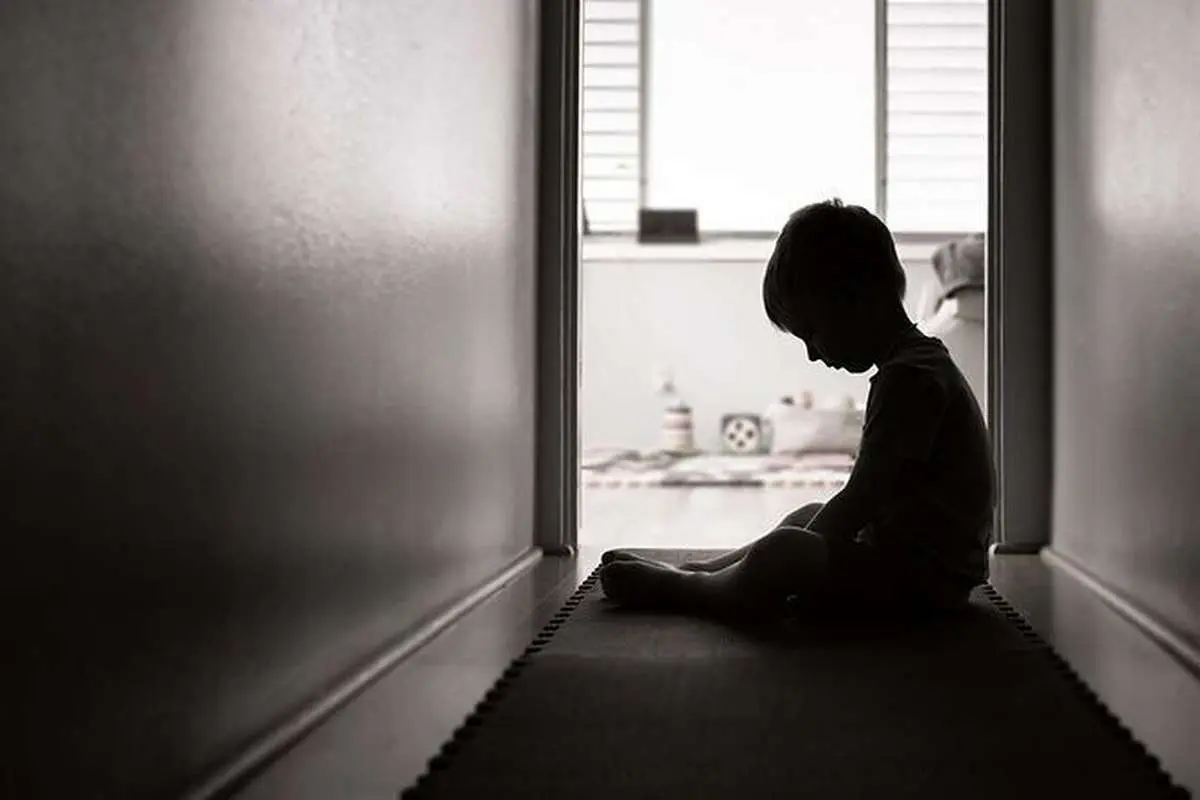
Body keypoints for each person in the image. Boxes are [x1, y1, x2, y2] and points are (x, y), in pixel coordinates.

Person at [599, 199, 995, 623]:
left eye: (812, 332)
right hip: (916, 563)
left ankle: (691, 589)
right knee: (804, 518)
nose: (811, 354)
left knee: (787, 548)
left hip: (924, 584)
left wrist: (794, 559)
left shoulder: (910, 380)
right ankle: (706, 571)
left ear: (854, 302)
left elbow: (861, 500)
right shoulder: (918, 364)